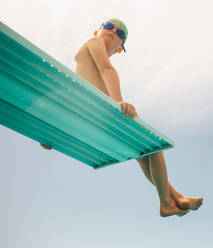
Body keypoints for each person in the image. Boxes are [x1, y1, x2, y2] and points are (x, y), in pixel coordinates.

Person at [40, 18, 203, 217]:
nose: (113, 31)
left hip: (98, 117)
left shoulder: (95, 49)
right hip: (100, 114)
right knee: (153, 144)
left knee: (145, 154)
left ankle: (174, 198)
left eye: (120, 33)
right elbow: (107, 70)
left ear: (119, 49)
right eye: (108, 26)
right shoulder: (93, 42)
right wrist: (118, 103)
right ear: (96, 31)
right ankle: (167, 201)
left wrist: (53, 134)